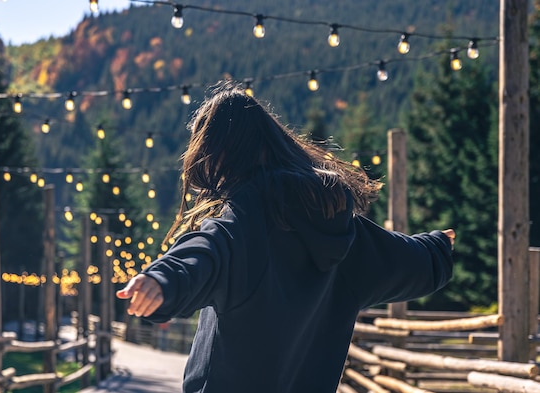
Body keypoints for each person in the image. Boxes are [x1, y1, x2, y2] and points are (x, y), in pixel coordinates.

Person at [116, 82, 455, 392]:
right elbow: (406, 258)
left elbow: (206, 250)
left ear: (225, 156)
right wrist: (439, 248)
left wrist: (161, 279)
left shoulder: (244, 223)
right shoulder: (344, 231)